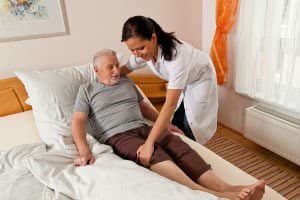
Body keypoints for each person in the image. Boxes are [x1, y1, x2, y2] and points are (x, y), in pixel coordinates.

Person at [72, 49, 265, 200]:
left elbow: (144, 107)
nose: (116, 70)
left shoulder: (126, 82)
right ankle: (211, 194)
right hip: (119, 135)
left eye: (116, 65)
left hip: (144, 127)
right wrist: (84, 150)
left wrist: (165, 123)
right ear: (96, 70)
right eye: (110, 67)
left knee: (179, 146)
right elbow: (78, 121)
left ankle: (227, 187)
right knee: (155, 153)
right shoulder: (87, 90)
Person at [121, 15, 218, 146]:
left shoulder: (177, 56)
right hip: (184, 80)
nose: (137, 54)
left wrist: (149, 143)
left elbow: (170, 105)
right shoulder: (144, 51)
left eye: (140, 48)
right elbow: (127, 67)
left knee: (190, 126)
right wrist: (104, 74)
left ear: (153, 38)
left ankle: (193, 151)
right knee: (175, 122)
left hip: (200, 80)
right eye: (132, 50)